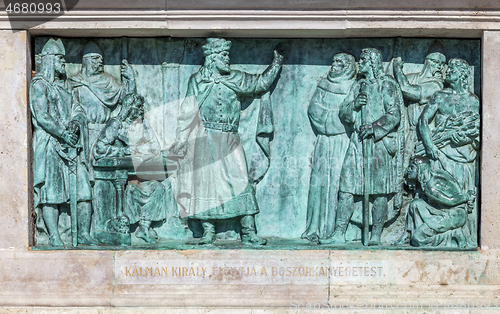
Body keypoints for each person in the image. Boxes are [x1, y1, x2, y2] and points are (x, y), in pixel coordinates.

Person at [170, 38, 283, 245]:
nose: (227, 60)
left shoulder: (236, 78)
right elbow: (187, 112)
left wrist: (276, 63)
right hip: (205, 140)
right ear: (212, 59)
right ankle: (208, 231)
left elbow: (260, 83)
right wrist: (180, 139)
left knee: (241, 181)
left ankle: (248, 231)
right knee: (205, 185)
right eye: (223, 56)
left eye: (227, 55)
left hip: (229, 138)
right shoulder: (197, 81)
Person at [320, 48, 404, 246]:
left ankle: (376, 234)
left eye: (364, 60)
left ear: (373, 62)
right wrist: (355, 106)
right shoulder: (359, 86)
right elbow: (344, 112)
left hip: (379, 145)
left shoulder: (387, 85)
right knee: (347, 187)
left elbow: (395, 114)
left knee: (379, 191)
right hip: (358, 143)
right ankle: (339, 231)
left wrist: (375, 127)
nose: (360, 63)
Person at [30, 38, 96, 246]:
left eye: (63, 59)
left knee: (84, 190)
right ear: (49, 60)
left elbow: (77, 109)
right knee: (52, 192)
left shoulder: (66, 85)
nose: (63, 62)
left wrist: (76, 124)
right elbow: (42, 116)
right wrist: (62, 133)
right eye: (59, 58)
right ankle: (54, 236)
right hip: (50, 144)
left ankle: (84, 234)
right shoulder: (39, 85)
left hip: (72, 146)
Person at [418, 58, 480, 243]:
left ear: (462, 74)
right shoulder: (439, 96)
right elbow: (423, 121)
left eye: (452, 68)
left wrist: (467, 139)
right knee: (439, 195)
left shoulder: (472, 100)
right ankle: (438, 235)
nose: (447, 71)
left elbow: (479, 130)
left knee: (462, 195)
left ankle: (463, 235)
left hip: (464, 158)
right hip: (441, 154)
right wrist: (430, 146)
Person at [301, 53, 356, 243]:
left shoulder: (354, 86)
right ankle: (315, 227)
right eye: (333, 62)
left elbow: (355, 115)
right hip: (325, 142)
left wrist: (341, 120)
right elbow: (313, 110)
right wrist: (333, 120)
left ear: (349, 66)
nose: (335, 66)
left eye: (340, 63)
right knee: (320, 183)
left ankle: (340, 230)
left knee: (342, 183)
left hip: (344, 141)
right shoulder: (324, 84)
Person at [69, 41, 137, 146]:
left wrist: (131, 79)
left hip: (106, 135)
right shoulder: (74, 83)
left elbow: (127, 101)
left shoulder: (108, 81)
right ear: (86, 61)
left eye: (101, 58)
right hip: (83, 136)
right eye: (95, 58)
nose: (100, 61)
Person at [404, 156, 475, 248]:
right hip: (443, 210)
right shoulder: (437, 174)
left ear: (420, 169)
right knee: (415, 204)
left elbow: (450, 201)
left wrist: (467, 197)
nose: (408, 170)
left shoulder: (430, 187)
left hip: (455, 215)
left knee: (417, 240)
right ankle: (407, 234)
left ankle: (453, 234)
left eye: (412, 168)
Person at [392, 51, 446, 167]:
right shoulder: (412, 77)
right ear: (427, 62)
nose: (439, 67)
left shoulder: (436, 86)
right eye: (436, 62)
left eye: (442, 64)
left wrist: (397, 69)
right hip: (410, 132)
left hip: (426, 134)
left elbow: (407, 90)